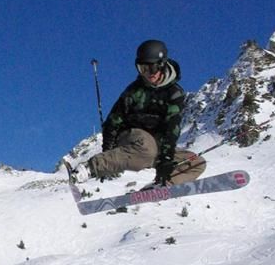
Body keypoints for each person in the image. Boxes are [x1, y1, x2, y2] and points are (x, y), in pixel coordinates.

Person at [68, 39, 206, 186]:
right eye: (143, 68)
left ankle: (161, 186)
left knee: (196, 163)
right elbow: (113, 121)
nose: (148, 73)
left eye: (152, 68)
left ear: (162, 64)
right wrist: (106, 156)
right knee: (147, 147)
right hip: (131, 137)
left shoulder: (174, 93)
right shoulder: (134, 91)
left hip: (155, 146)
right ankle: (88, 169)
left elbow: (172, 127)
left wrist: (166, 159)